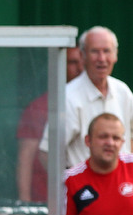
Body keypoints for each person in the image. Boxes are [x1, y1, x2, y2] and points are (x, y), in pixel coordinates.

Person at [39, 26, 133, 169]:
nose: (101, 59)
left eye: (106, 51)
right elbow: (48, 153)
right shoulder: (68, 96)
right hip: (84, 189)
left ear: (115, 55)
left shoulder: (123, 91)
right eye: (95, 51)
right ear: (82, 56)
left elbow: (130, 141)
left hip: (121, 188)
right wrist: (71, 185)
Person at [16, 47, 83, 203]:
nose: (80, 69)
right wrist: (25, 203)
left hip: (85, 200)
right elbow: (26, 157)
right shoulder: (40, 107)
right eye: (72, 62)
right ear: (59, 66)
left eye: (83, 63)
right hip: (46, 203)